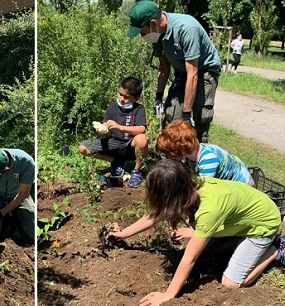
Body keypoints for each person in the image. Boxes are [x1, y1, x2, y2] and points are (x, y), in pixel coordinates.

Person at [107, 160, 281, 306]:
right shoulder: (190, 187)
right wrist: (123, 234)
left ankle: (276, 250)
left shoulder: (209, 208)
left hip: (263, 224)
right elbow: (154, 214)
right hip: (241, 219)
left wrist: (168, 294)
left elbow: (189, 258)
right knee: (210, 251)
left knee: (231, 284)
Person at [127, 0, 221, 143]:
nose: (142, 36)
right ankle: (170, 163)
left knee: (195, 120)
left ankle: (195, 162)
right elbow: (164, 67)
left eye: (142, 31)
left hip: (203, 72)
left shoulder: (187, 29)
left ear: (152, 23)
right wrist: (159, 97)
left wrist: (187, 114)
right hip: (182, 73)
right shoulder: (157, 34)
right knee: (171, 116)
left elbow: (193, 74)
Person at [77, 76, 148, 188]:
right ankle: (116, 162)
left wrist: (119, 127)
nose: (121, 98)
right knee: (83, 147)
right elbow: (106, 124)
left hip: (130, 145)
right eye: (120, 94)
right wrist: (102, 129)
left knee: (142, 139)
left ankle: (136, 171)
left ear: (136, 98)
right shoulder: (113, 106)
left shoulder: (138, 109)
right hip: (114, 143)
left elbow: (141, 129)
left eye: (126, 97)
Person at [156, 120, 252, 185]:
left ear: (181, 150)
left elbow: (203, 190)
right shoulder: (193, 152)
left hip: (242, 188)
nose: (169, 157)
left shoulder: (208, 160)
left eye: (170, 154)